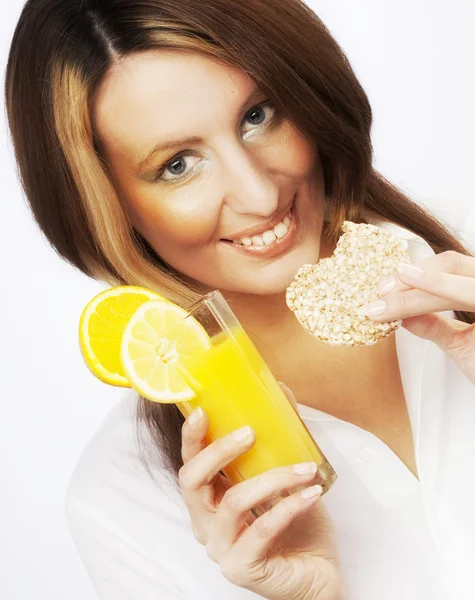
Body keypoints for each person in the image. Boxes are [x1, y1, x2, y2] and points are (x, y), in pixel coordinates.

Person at [5, 1, 475, 599]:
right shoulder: (123, 504)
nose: (258, 193)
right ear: (105, 208)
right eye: (177, 165)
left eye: (258, 115)